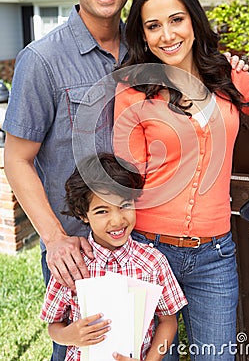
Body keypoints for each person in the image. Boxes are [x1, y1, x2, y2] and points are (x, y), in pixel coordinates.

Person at [2, 0, 246, 360]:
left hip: (144, 243)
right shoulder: (41, 61)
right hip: (79, 248)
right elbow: (17, 159)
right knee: (87, 350)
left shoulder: (149, 51)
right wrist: (56, 239)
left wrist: (226, 65)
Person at [113, 0, 249, 361]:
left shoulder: (227, 75)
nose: (167, 35)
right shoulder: (132, 92)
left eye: (176, 19)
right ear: (142, 35)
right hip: (148, 251)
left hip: (214, 258)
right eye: (153, 25)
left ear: (194, 21)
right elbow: (128, 181)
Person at [40, 152, 187, 361]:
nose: (117, 220)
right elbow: (53, 326)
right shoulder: (72, 265)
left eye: (125, 205)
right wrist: (68, 335)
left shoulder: (153, 263)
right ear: (83, 215)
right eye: (102, 211)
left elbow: (168, 321)